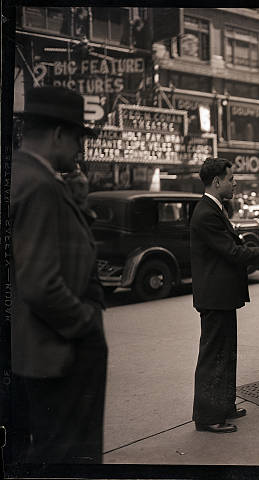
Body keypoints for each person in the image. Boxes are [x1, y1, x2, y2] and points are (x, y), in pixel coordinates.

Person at [10, 86, 107, 463]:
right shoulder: (40, 185)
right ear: (58, 134)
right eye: (78, 138)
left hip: (34, 351)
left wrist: (79, 201)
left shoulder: (19, 175)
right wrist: (86, 323)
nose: (80, 150)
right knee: (70, 458)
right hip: (60, 354)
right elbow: (41, 284)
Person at [190, 158, 259, 433]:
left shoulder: (215, 209)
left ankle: (223, 405)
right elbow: (233, 253)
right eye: (231, 178)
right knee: (214, 355)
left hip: (221, 296)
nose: (235, 183)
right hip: (214, 297)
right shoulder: (206, 214)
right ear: (217, 182)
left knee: (226, 352)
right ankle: (209, 416)